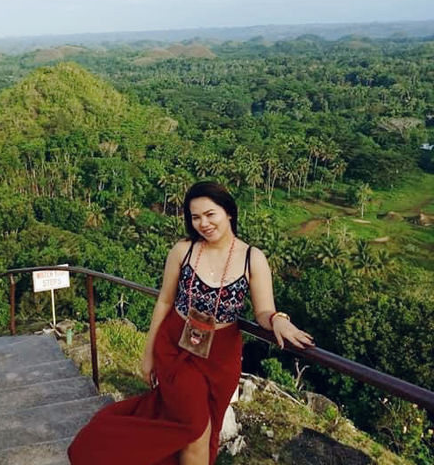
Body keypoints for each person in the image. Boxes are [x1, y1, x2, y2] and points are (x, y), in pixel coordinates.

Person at [68, 181, 314, 465]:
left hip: (221, 358)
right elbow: (164, 301)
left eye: (210, 214)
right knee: (195, 426)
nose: (203, 223)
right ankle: (101, 448)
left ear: (229, 212)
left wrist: (278, 320)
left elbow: (263, 311)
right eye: (195, 217)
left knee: (204, 430)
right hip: (176, 347)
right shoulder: (183, 250)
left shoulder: (252, 257)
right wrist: (147, 354)